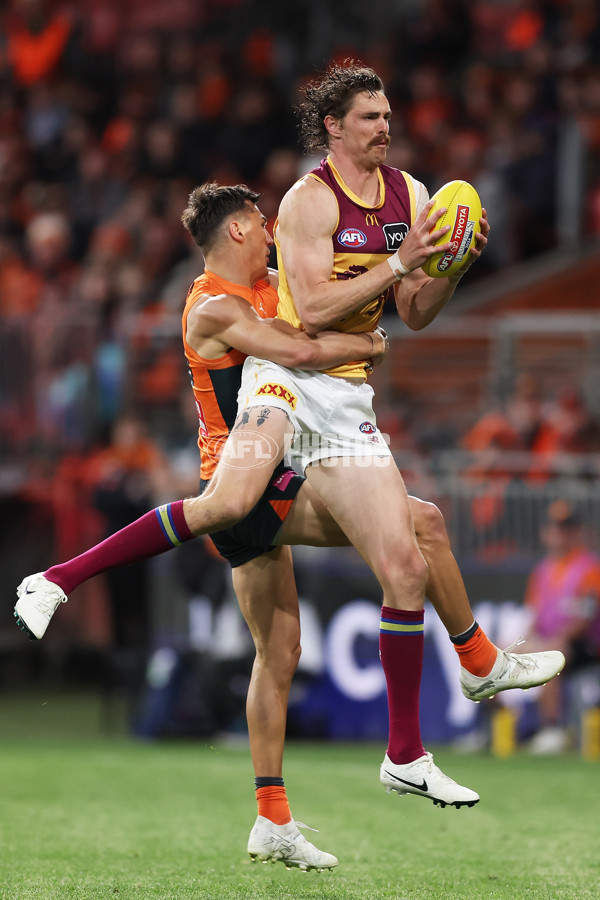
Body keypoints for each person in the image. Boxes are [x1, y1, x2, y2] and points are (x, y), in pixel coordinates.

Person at [16, 177, 563, 868]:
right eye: (262, 222)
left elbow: (334, 308)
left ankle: (272, 818)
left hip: (276, 480)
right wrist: (371, 348)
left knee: (278, 657)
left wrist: (433, 266)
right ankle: (59, 578)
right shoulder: (213, 307)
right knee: (414, 522)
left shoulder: (274, 284)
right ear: (240, 229)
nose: (274, 229)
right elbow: (303, 352)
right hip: (248, 481)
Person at [524, 500, 600, 754]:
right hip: (552, 641)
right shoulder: (542, 571)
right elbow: (534, 616)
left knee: (551, 653)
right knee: (496, 653)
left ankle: (552, 728)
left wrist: (553, 641)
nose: (558, 534)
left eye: (565, 528)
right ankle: (497, 727)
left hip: (585, 646)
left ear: (577, 532)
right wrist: (524, 642)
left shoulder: (589, 568)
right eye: (554, 528)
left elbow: (585, 618)